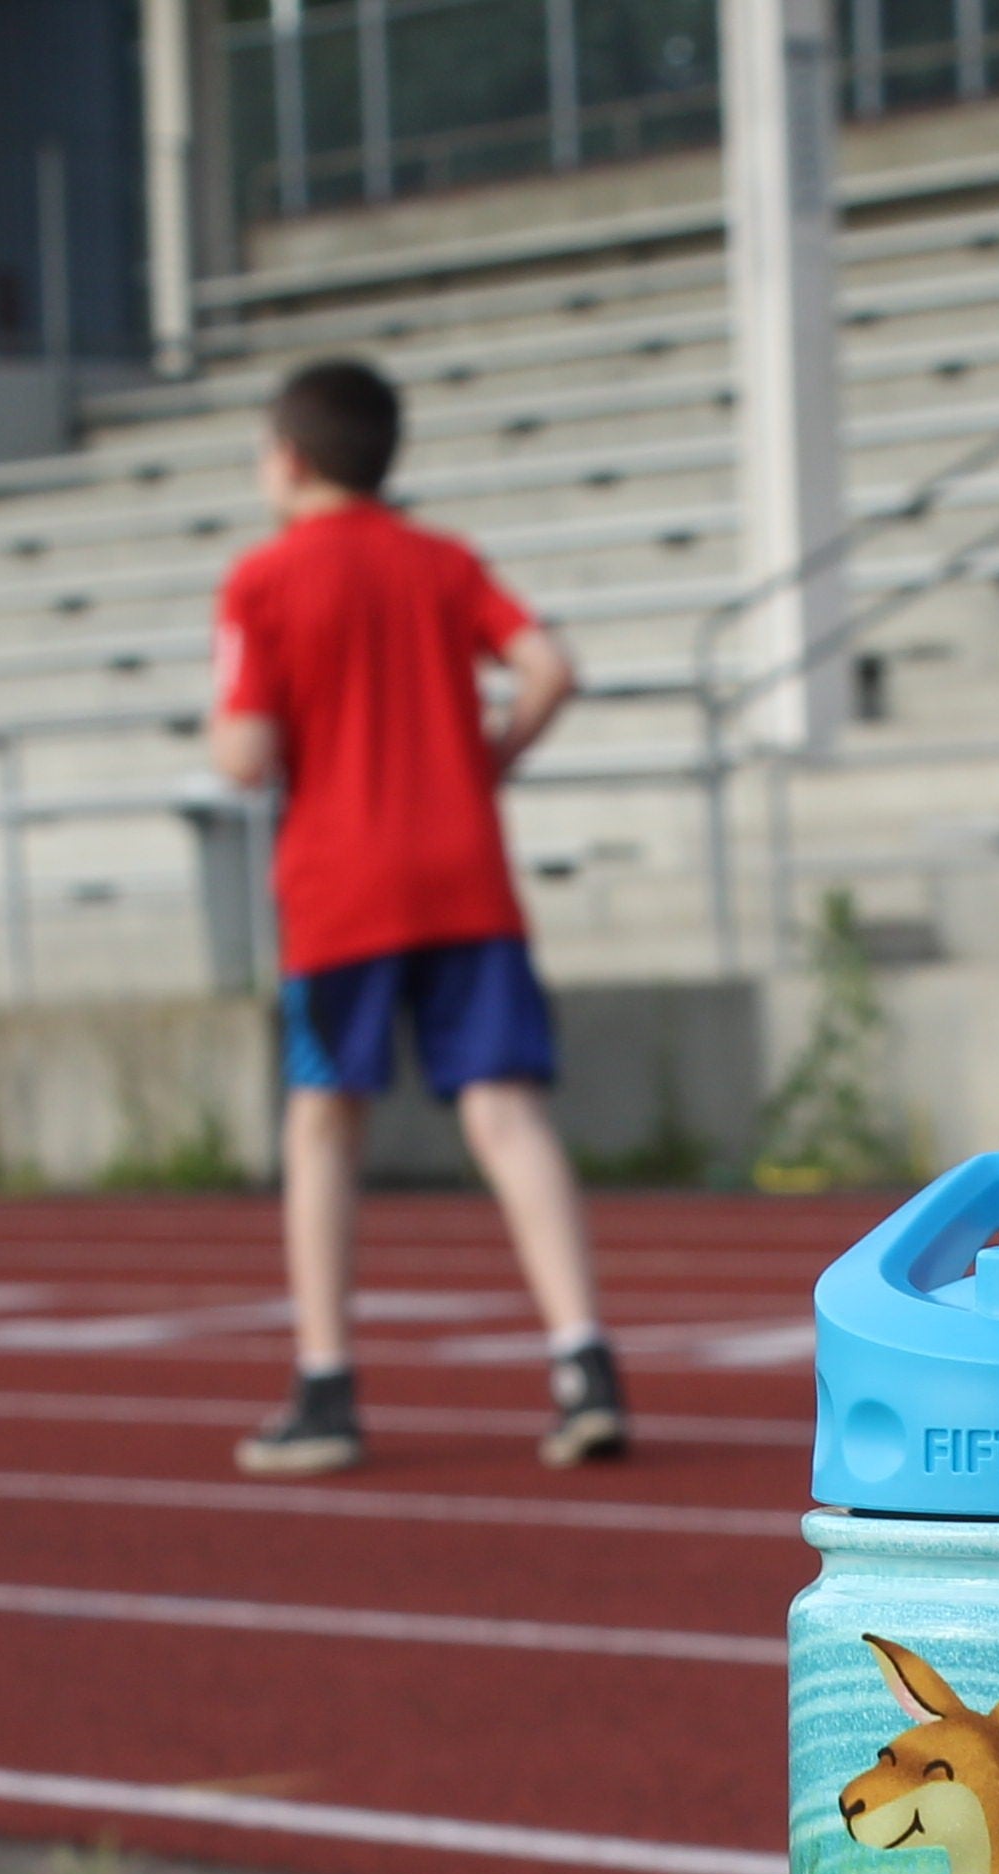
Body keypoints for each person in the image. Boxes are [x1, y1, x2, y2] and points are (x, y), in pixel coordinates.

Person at [207, 356, 624, 1478]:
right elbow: (549, 665)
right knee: (506, 1112)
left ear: (288, 459)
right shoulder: (443, 565)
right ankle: (584, 1359)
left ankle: (327, 1381)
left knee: (324, 1121)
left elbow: (243, 754)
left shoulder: (262, 581)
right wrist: (489, 761)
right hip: (461, 872)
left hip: (341, 888)